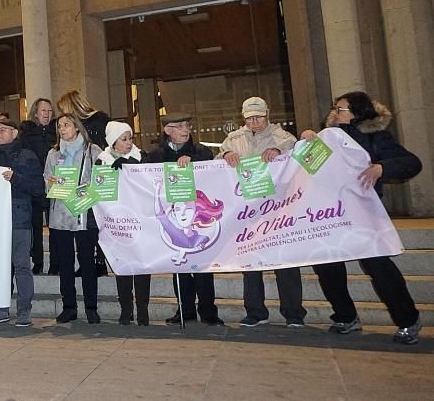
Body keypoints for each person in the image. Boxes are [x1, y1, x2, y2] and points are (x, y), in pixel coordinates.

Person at [302, 92, 423, 344]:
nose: (336, 112)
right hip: (331, 214)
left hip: (363, 215)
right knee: (328, 267)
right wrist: (304, 144)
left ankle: (408, 320)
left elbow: (411, 163)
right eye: (335, 108)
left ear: (358, 112)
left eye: (342, 109)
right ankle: (346, 317)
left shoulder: (376, 137)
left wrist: (382, 168)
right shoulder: (325, 139)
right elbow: (303, 171)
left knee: (379, 268)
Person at [220, 97, 306, 328]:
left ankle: (294, 313)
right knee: (250, 264)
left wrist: (278, 150)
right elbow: (218, 163)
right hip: (248, 211)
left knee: (286, 263)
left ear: (268, 114)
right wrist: (226, 155)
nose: (254, 122)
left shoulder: (283, 137)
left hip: (279, 210)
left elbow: (295, 154)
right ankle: (256, 311)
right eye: (249, 118)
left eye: (258, 117)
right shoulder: (234, 139)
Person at [145, 111, 224, 326]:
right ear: (167, 131)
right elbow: (142, 180)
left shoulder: (201, 152)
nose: (185, 130)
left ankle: (208, 311)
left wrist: (195, 162)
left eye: (187, 126)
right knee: (180, 270)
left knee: (202, 268)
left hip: (198, 219)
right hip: (174, 220)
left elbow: (215, 173)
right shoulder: (155, 157)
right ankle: (185, 310)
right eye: (179, 126)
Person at [0, 118, 45, 327]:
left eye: (4, 130)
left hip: (19, 220)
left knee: (22, 266)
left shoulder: (26, 156)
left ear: (15, 133)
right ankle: (0, 309)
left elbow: (38, 188)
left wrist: (15, 177)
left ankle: (24, 310)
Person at [45, 113, 103, 324]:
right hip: (60, 215)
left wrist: (88, 187)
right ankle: (69, 306)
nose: (62, 129)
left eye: (66, 125)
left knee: (87, 262)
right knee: (65, 263)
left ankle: (91, 307)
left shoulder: (92, 151)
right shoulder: (53, 154)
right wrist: (50, 182)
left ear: (77, 127)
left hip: (83, 213)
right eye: (59, 126)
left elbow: (101, 179)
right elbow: (46, 181)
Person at [97, 121, 151, 325]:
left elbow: (149, 184)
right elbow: (100, 190)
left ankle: (143, 311)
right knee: (123, 266)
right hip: (117, 222)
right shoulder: (102, 161)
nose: (129, 143)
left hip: (140, 220)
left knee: (142, 267)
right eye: (124, 139)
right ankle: (126, 310)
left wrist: (132, 169)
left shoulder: (141, 157)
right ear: (113, 142)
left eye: (130, 138)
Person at [20, 98, 57, 275]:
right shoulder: (27, 134)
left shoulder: (57, 133)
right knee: (35, 225)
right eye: (43, 111)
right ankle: (38, 261)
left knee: (54, 224)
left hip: (54, 184)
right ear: (35, 112)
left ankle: (55, 262)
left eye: (50, 111)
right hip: (34, 184)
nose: (47, 114)